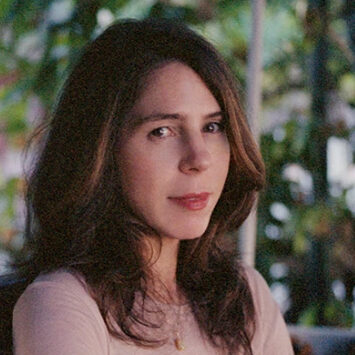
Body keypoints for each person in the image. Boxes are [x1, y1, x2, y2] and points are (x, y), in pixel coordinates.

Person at [12, 18, 294, 354]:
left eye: (213, 126)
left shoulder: (246, 299)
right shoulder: (62, 303)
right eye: (162, 131)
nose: (199, 158)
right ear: (101, 150)